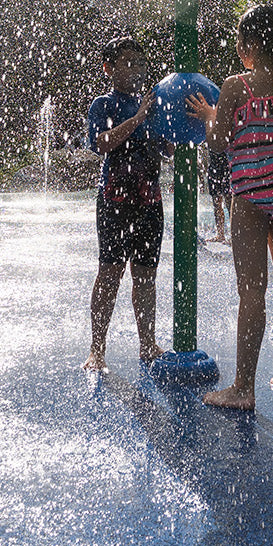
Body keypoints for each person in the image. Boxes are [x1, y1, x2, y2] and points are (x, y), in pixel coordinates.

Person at [187, 4, 273, 409]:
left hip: (252, 198)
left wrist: (208, 114)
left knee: (252, 292)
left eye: (240, 41)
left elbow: (220, 141)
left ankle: (242, 388)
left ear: (251, 45)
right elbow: (272, 124)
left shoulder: (236, 86)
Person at [83, 36, 168, 373]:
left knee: (146, 276)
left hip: (150, 202)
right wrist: (139, 118)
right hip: (114, 202)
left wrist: (172, 127)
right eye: (128, 63)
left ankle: (147, 343)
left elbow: (167, 152)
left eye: (140, 64)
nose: (136, 70)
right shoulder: (103, 104)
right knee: (109, 274)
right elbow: (101, 143)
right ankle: (97, 349)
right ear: (109, 67)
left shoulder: (151, 104)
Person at [205, 147, 231, 244]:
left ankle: (234, 234)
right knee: (216, 203)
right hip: (214, 168)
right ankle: (220, 234)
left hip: (227, 167)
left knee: (229, 202)